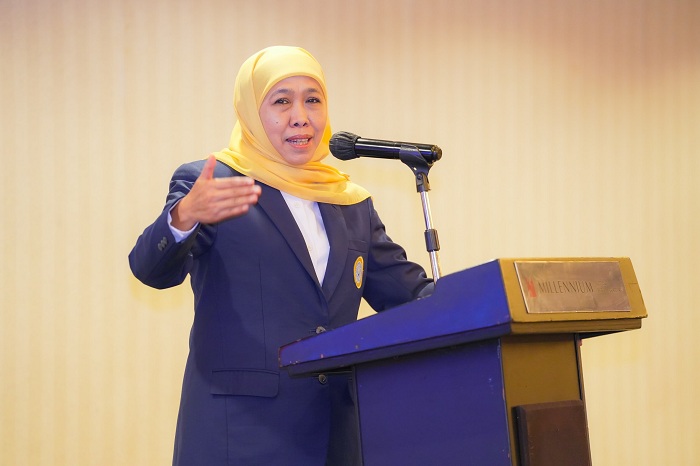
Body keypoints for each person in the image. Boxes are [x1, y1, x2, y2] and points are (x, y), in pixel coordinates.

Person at [129, 45, 433, 466]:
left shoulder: (350, 202)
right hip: (240, 436)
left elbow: (409, 295)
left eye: (313, 100)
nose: (300, 117)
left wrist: (479, 301)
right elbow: (151, 270)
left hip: (334, 436)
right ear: (251, 111)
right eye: (281, 101)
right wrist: (184, 216)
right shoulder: (216, 182)